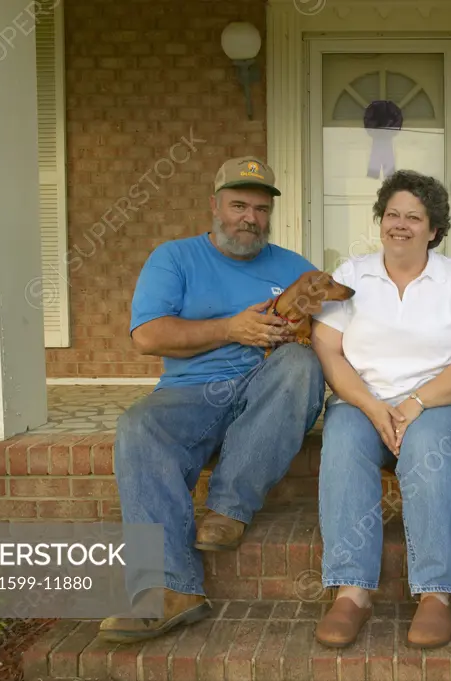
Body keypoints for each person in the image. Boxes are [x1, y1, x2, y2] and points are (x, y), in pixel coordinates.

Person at [99, 157, 326, 643]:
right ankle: (170, 589)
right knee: (137, 426)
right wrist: (231, 328)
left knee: (302, 364)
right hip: (191, 393)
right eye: (239, 205)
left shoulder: (294, 268)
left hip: (270, 390)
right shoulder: (174, 258)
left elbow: (338, 333)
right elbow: (147, 335)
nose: (250, 218)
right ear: (214, 205)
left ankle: (228, 510)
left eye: (261, 209)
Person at [310, 170, 451, 649]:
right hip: (364, 398)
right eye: (392, 214)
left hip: (448, 403)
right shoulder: (352, 275)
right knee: (344, 440)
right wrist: (373, 407)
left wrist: (416, 402)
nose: (400, 224)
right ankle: (352, 590)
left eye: (414, 217)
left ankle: (435, 593)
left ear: (434, 229)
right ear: (380, 221)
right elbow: (328, 350)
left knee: (427, 444)